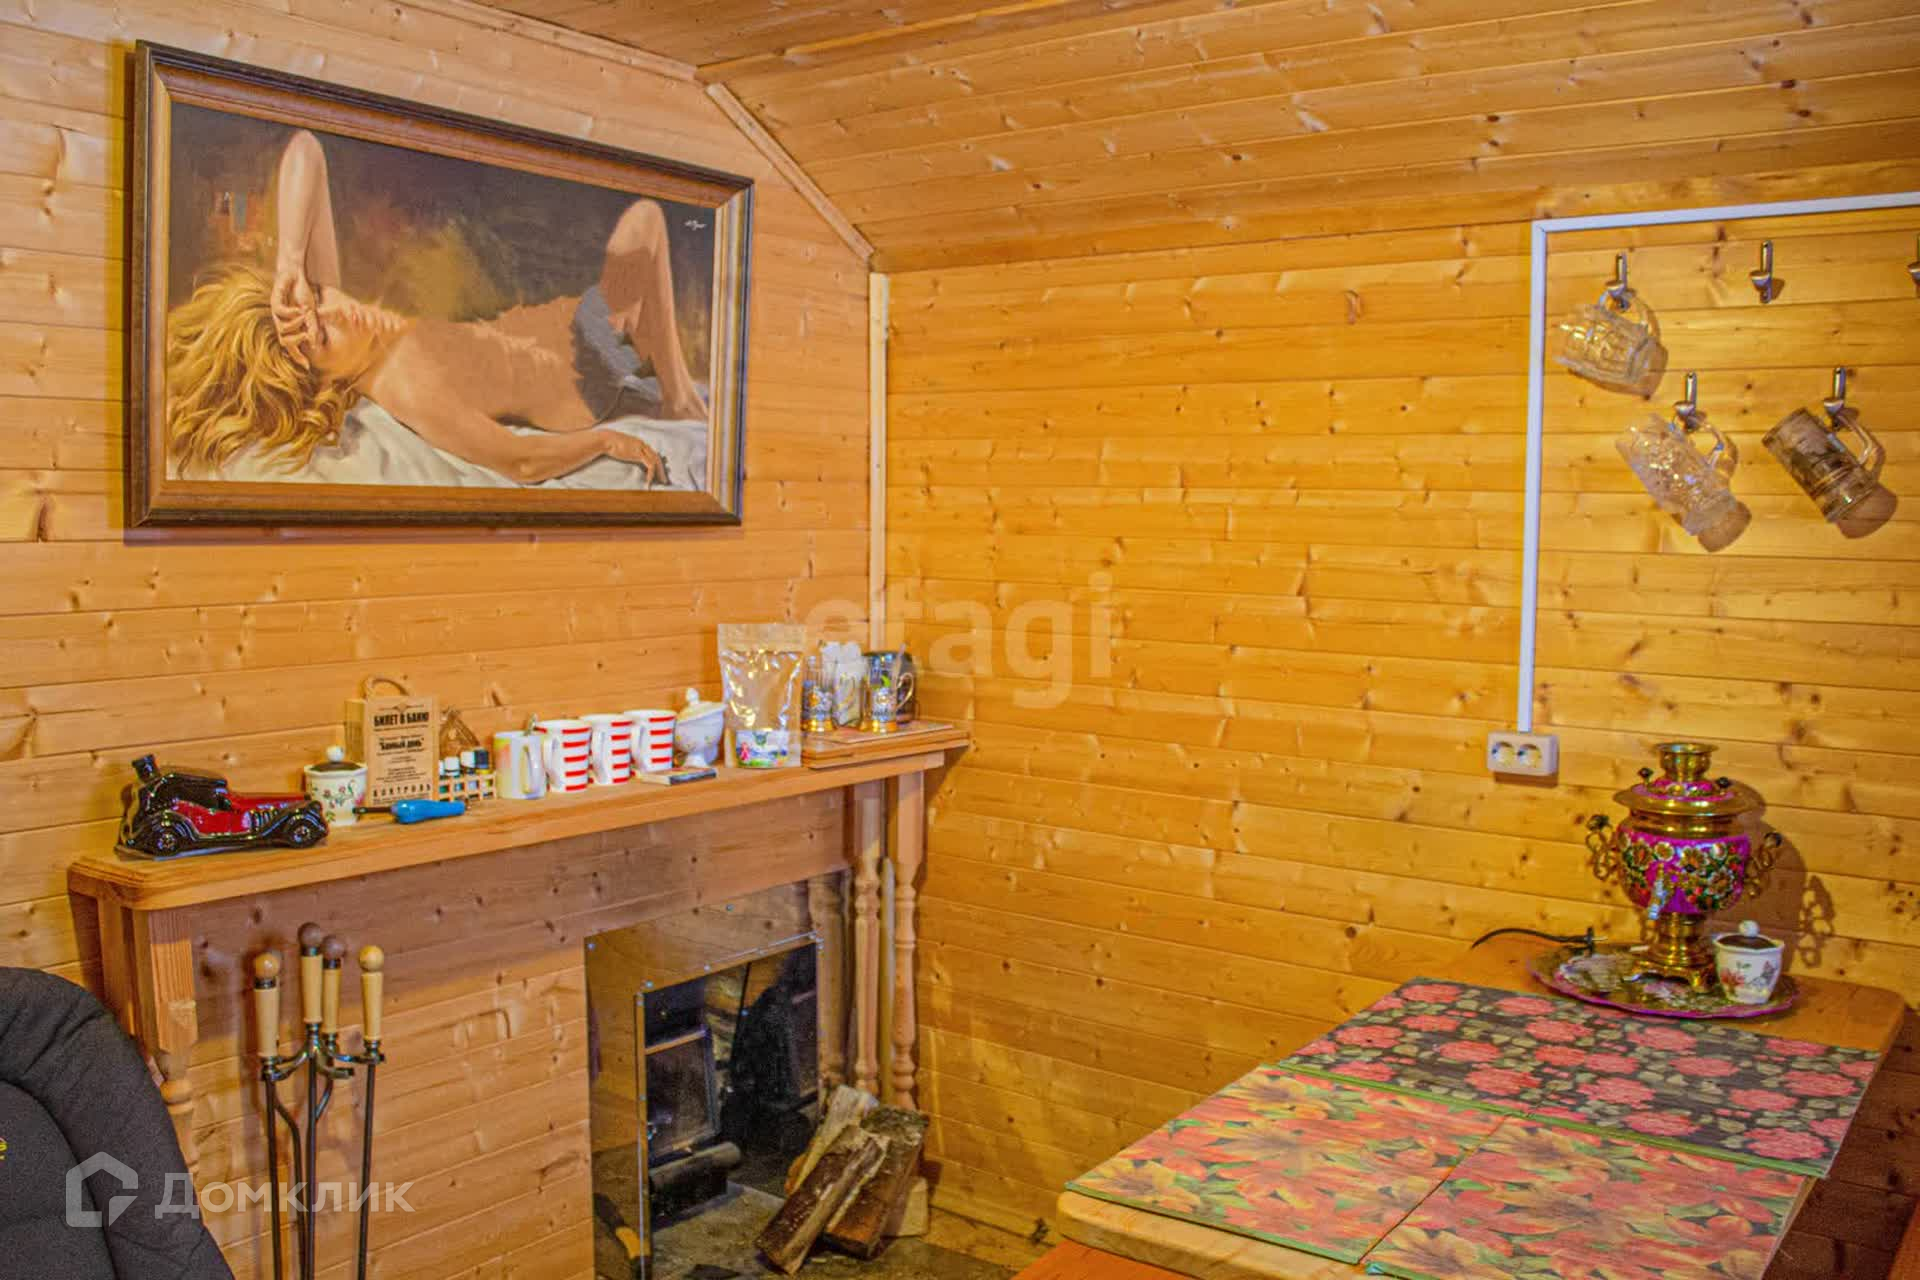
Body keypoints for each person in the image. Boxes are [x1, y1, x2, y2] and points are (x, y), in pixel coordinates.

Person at [165, 128, 708, 485]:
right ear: (322, 382)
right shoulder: (403, 383)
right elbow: (517, 461)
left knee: (643, 228)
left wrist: (290, 266)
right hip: (582, 371)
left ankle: (672, 381)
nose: (338, 311)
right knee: (644, 226)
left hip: (554, 326)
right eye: (323, 336)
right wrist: (606, 441)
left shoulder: (353, 335)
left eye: (322, 300)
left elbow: (306, 149)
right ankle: (681, 398)